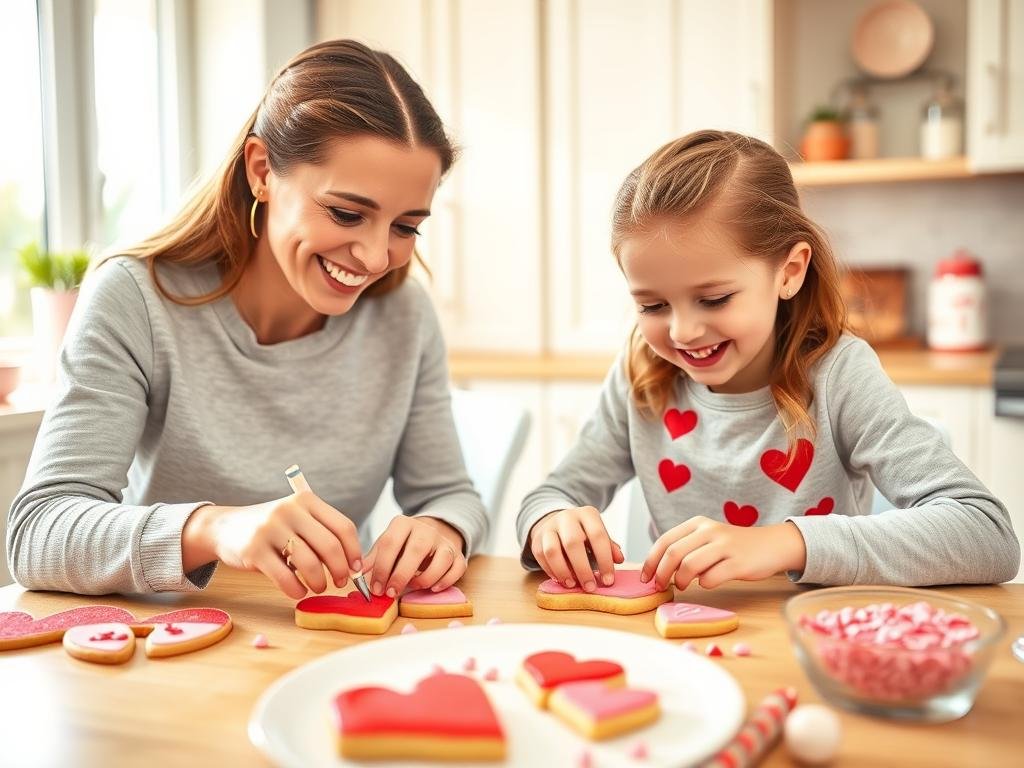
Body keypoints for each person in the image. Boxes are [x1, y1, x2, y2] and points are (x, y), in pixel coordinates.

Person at [8, 39, 488, 600]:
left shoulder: (404, 315)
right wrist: (214, 528)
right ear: (262, 171)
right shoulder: (135, 298)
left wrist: (441, 528)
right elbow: (38, 533)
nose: (376, 256)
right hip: (164, 649)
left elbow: (449, 494)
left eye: (406, 226)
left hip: (318, 643)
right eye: (347, 213)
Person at [517, 130, 1019, 592]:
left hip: (809, 639)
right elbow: (553, 493)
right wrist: (550, 521)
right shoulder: (640, 373)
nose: (681, 331)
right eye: (652, 305)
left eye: (714, 299)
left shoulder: (839, 375)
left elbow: (988, 536)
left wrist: (784, 542)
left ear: (789, 271)